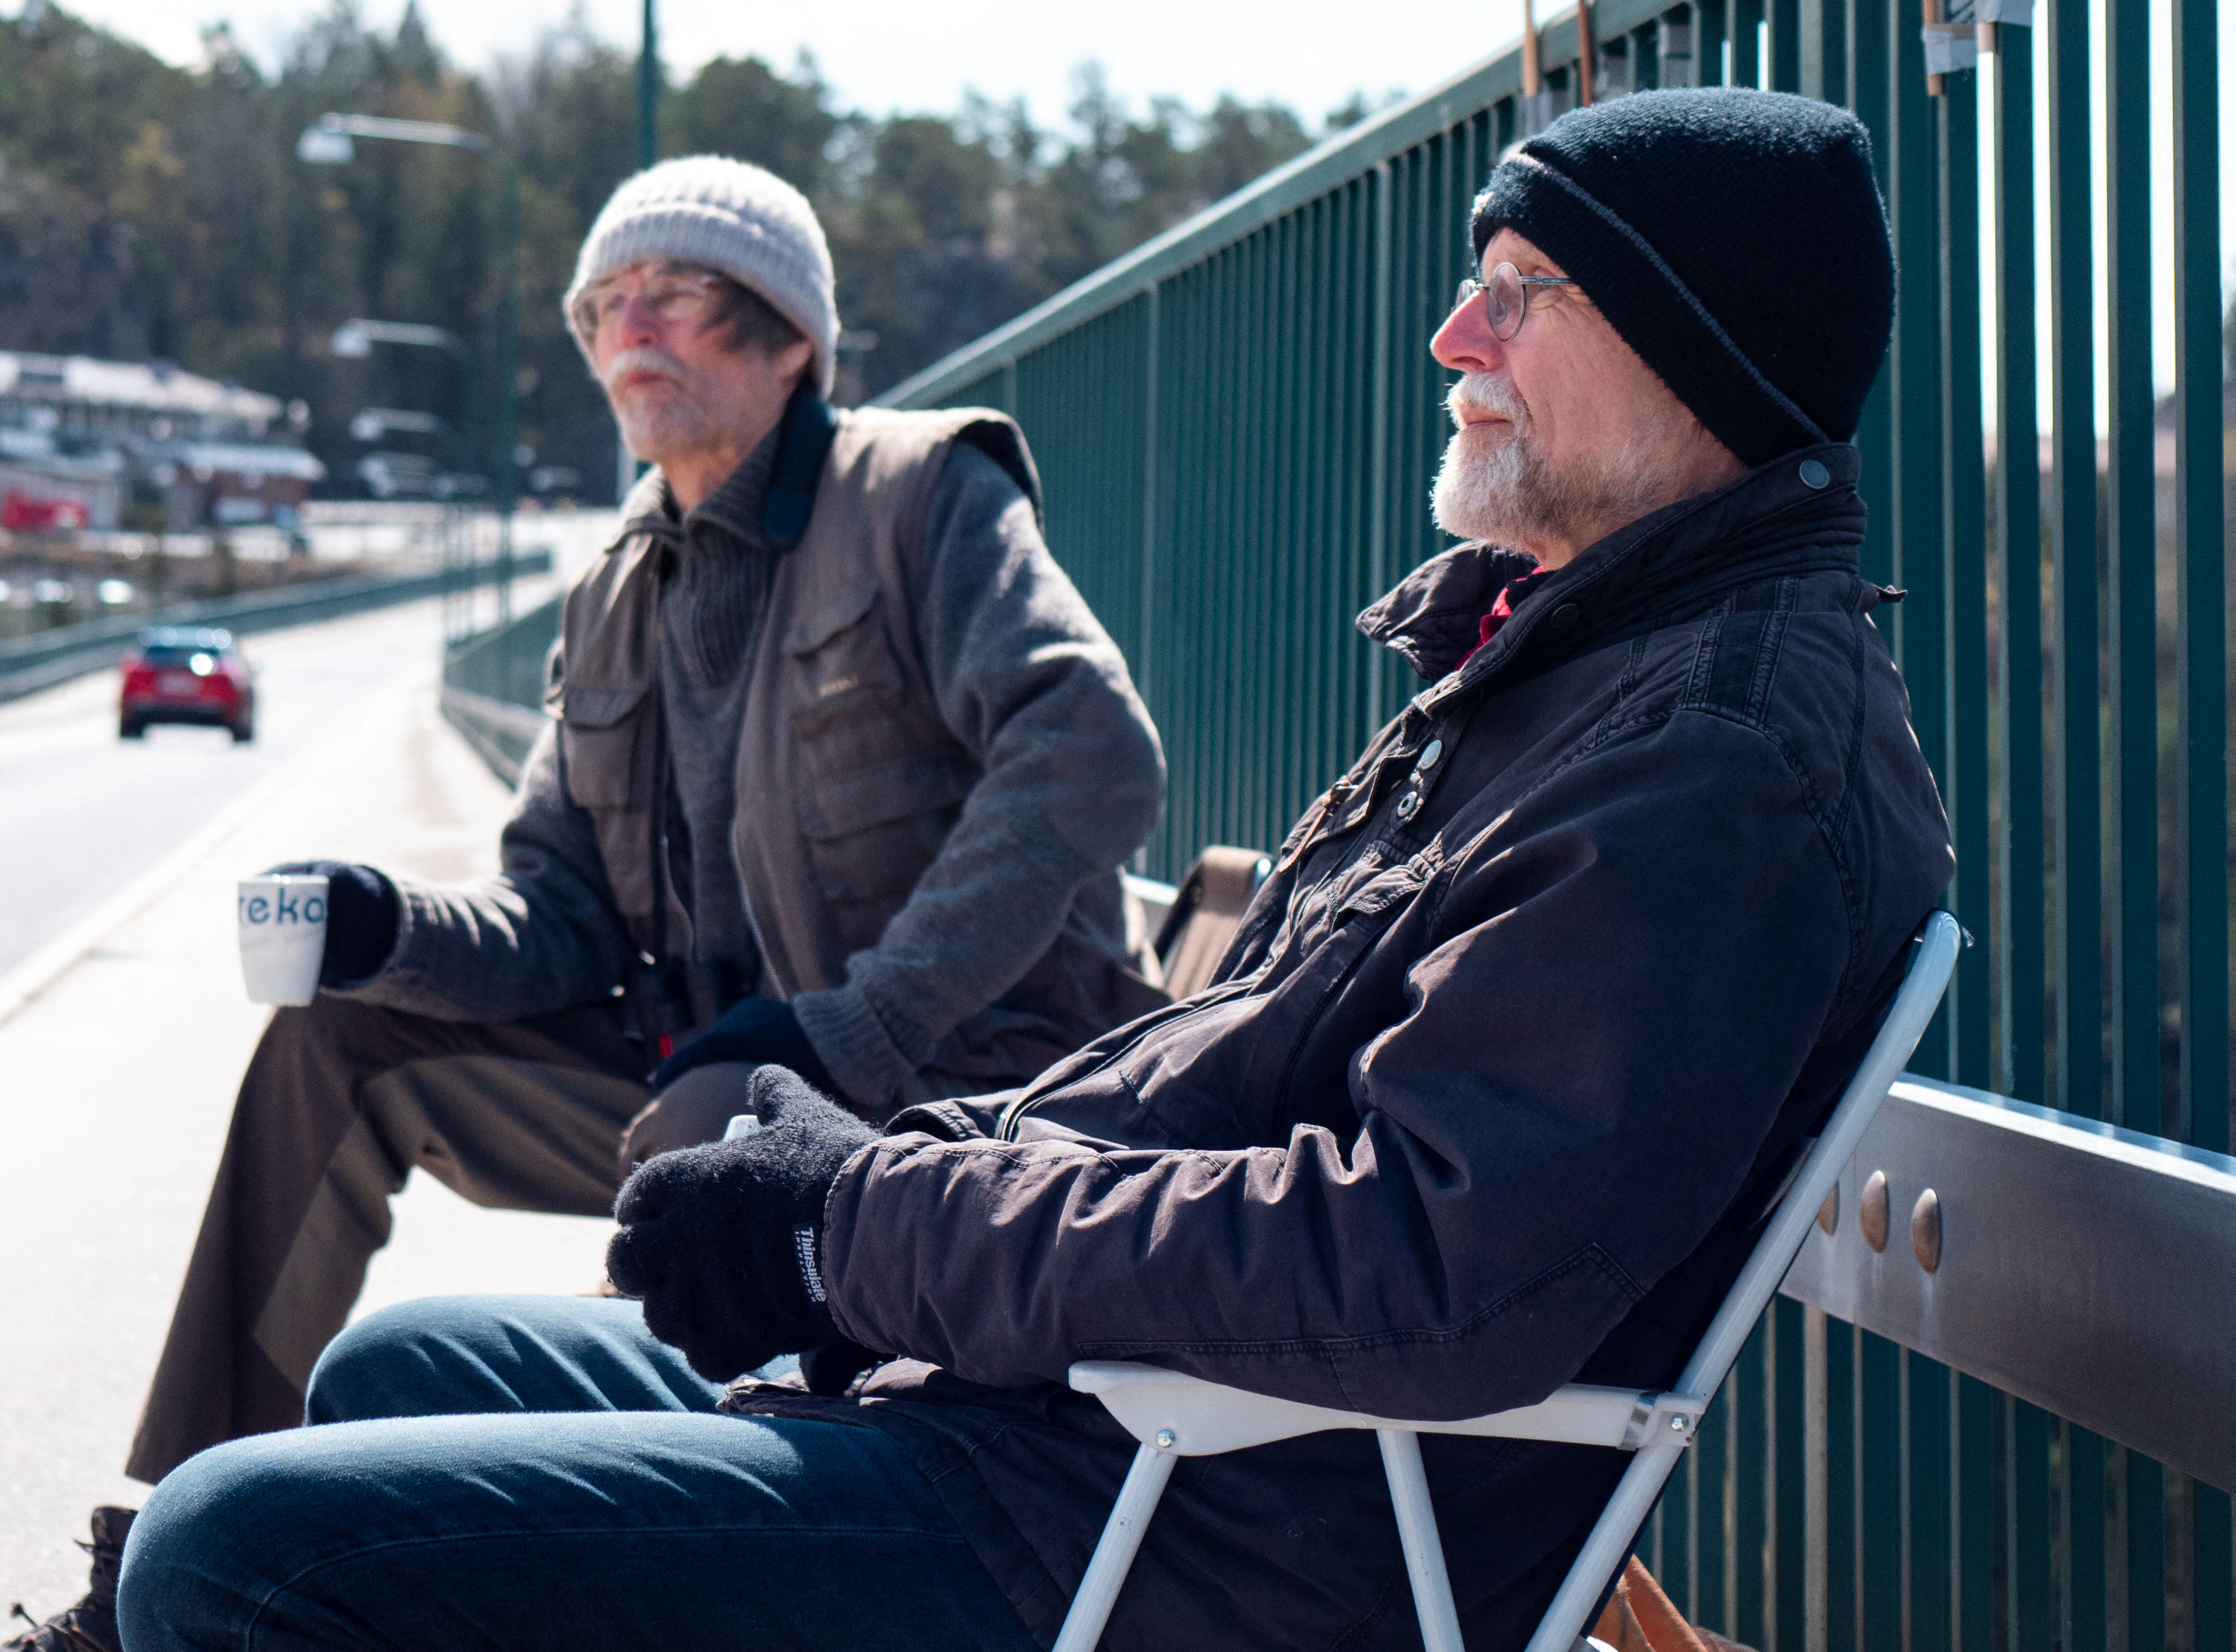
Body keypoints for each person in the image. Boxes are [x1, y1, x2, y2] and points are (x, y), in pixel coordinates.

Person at [112, 90, 1955, 1652]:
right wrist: (872, 1190)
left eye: (1512, 290)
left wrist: (857, 1216)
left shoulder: (1708, 761)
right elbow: (1214, 1092)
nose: (1451, 340)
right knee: (395, 1372)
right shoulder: (1560, 678)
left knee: (242, 1557)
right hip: (1065, 1416)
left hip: (1177, 1525)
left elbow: (1425, 1257)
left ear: (1688, 335)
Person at [11, 155, 1166, 1652]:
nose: (633, 330)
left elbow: (1092, 754)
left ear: (789, 335)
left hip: (945, 1090)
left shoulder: (917, 495)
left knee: (715, 1113)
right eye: (606, 304)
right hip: (691, 1076)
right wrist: (383, 929)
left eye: (678, 298)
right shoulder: (613, 584)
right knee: (335, 1035)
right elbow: (553, 919)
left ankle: (610, 1522)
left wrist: (852, 1030)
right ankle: (164, 1548)